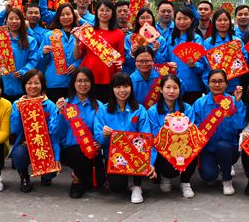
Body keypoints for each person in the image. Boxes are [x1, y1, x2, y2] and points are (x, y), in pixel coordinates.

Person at [93, 72, 156, 204]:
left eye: (126, 86)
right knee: (117, 187)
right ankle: (121, 180)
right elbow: (98, 140)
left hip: (136, 155)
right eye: (118, 87)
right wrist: (104, 135)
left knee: (140, 148)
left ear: (131, 88)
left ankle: (137, 186)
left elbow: (147, 137)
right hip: (115, 158)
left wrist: (150, 162)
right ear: (112, 89)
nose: (122, 90)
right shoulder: (103, 110)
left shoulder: (139, 109)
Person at [192, 69, 245, 196]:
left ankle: (227, 179)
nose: (217, 84)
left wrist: (237, 103)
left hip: (228, 148)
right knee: (209, 177)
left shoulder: (234, 101)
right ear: (208, 83)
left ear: (226, 84)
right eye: (213, 81)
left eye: (220, 81)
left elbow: (240, 125)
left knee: (222, 146)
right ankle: (217, 167)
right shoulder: (199, 103)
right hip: (207, 149)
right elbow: (194, 127)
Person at [55, 68, 105, 199]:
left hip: (92, 149)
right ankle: (77, 179)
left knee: (99, 181)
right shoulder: (65, 104)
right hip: (71, 149)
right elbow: (57, 132)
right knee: (79, 153)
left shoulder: (98, 105)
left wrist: (99, 142)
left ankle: (83, 175)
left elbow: (100, 129)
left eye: (86, 81)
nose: (83, 84)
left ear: (91, 83)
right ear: (73, 83)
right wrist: (60, 113)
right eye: (79, 81)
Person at [10, 69, 61, 192]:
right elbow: (14, 129)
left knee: (50, 173)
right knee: (19, 154)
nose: (33, 86)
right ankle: (24, 177)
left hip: (45, 145)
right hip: (25, 144)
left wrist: (57, 156)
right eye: (29, 83)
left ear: (42, 85)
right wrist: (18, 112)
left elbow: (54, 132)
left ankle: (46, 175)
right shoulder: (17, 104)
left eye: (37, 83)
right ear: (24, 85)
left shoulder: (50, 105)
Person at [147, 74, 196, 198]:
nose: (171, 91)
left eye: (175, 87)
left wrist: (180, 126)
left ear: (180, 90)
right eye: (168, 87)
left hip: (182, 145)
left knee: (194, 148)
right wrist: (165, 128)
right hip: (163, 149)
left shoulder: (187, 108)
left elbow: (192, 132)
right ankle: (165, 177)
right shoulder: (152, 111)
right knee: (168, 169)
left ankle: (185, 182)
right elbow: (153, 136)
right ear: (161, 90)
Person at [73, 0, 125, 104]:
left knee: (106, 106)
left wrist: (120, 62)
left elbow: (121, 56)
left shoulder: (119, 33)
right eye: (101, 10)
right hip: (88, 75)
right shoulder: (89, 31)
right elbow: (77, 56)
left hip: (109, 75)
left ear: (112, 13)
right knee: (88, 105)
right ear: (96, 12)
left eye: (107, 10)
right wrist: (77, 41)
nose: (104, 13)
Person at [0, 8, 40, 103]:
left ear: (22, 21)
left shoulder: (30, 40)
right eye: (11, 19)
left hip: (22, 86)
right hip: (2, 86)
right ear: (6, 21)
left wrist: (23, 72)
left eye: (17, 18)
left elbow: (33, 60)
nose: (14, 21)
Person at [167, 7, 208, 104]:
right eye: (178, 19)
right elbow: (164, 60)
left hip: (192, 87)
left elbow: (203, 65)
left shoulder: (196, 39)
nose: (181, 22)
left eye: (185, 19)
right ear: (174, 20)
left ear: (192, 20)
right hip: (173, 85)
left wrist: (194, 65)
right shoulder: (170, 39)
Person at [41, 3, 81, 101]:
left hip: (75, 81)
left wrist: (77, 64)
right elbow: (42, 60)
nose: (65, 17)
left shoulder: (80, 33)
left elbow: (86, 55)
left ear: (73, 16)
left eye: (68, 14)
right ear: (58, 17)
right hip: (55, 82)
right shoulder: (49, 35)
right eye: (62, 15)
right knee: (55, 109)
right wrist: (44, 53)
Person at [202, 9, 242, 94]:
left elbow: (244, 60)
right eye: (219, 20)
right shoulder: (207, 43)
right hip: (213, 86)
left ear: (229, 22)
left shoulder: (237, 41)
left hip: (233, 85)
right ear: (214, 22)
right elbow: (205, 64)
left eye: (225, 20)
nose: (222, 23)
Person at [123, 7, 168, 74]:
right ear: (138, 20)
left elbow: (162, 63)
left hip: (154, 76)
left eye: (148, 17)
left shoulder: (160, 39)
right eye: (142, 18)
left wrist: (155, 52)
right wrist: (132, 54)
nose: (145, 20)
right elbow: (126, 64)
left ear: (152, 19)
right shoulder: (130, 38)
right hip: (134, 75)